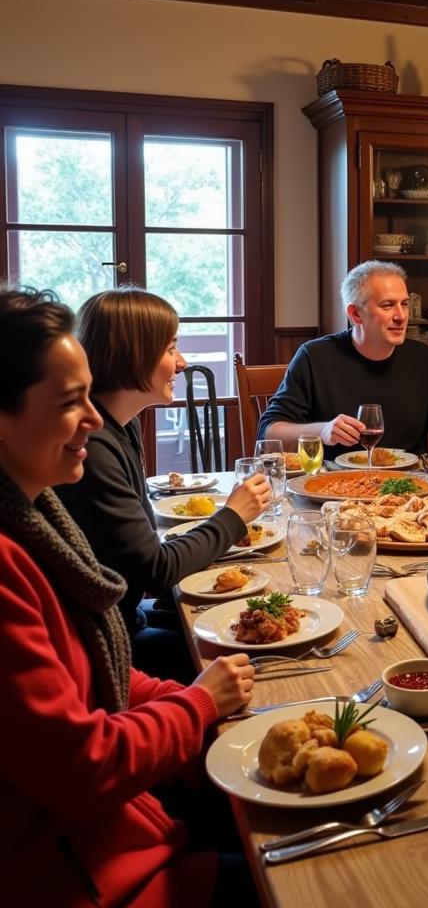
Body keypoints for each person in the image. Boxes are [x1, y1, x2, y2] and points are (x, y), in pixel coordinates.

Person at [0, 287, 256, 907]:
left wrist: (191, 696)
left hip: (113, 832)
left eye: (89, 396)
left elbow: (91, 670)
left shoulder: (34, 517)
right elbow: (82, 766)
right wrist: (194, 709)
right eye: (69, 402)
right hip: (78, 872)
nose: (92, 419)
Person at [55, 288, 270, 680]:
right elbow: (157, 570)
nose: (182, 362)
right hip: (105, 642)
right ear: (134, 354)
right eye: (171, 349)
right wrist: (233, 516)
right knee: (255, 659)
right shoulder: (94, 448)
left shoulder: (121, 425)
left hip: (123, 615)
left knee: (246, 616)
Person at [258, 260, 428, 459]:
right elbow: (268, 433)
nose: (401, 316)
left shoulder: (425, 359)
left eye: (404, 304)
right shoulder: (314, 357)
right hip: (334, 486)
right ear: (355, 314)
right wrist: (322, 431)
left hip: (411, 485)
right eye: (387, 305)